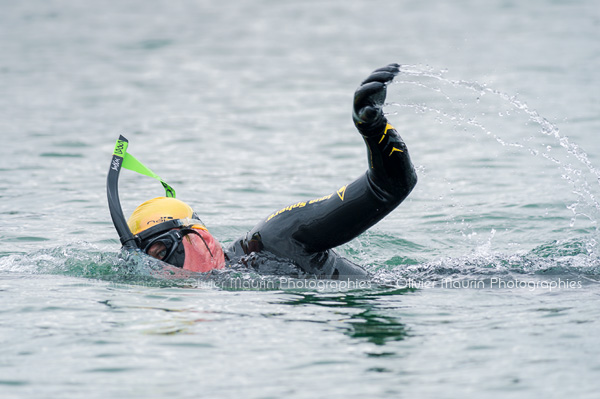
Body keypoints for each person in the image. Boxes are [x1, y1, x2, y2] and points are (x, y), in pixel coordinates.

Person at [123, 64, 417, 280]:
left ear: (198, 235)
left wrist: (373, 129)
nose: (164, 273)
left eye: (161, 255)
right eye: (149, 265)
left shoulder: (276, 239)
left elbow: (388, 188)